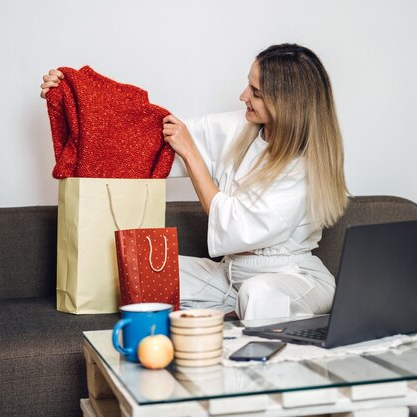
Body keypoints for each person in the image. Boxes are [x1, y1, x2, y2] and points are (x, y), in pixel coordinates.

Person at [40, 43, 349, 320]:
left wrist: (192, 154)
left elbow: (236, 227)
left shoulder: (302, 170)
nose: (243, 96)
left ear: (286, 104)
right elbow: (155, 134)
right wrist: (73, 97)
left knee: (258, 294)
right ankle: (230, 310)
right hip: (230, 276)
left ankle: (256, 354)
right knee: (137, 274)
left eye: (255, 92)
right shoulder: (242, 126)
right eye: (248, 85)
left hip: (290, 278)